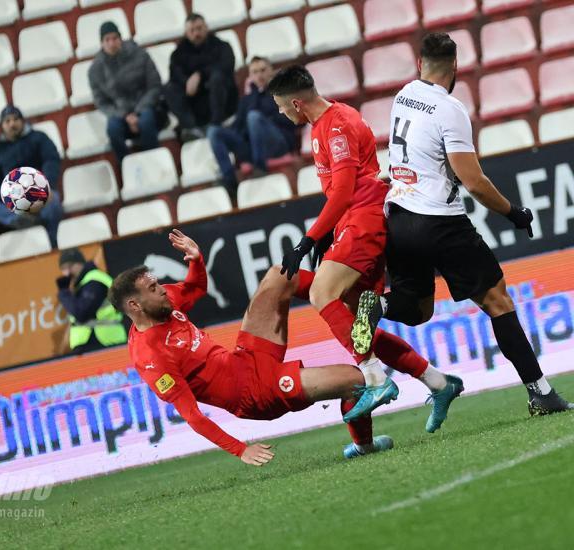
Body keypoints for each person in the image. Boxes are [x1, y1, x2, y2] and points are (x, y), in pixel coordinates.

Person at [351, 32, 573, 416]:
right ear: (455, 66)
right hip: (439, 222)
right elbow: (474, 181)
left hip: (399, 219)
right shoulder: (449, 108)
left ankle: (380, 305)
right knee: (498, 301)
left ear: (420, 65)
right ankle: (541, 392)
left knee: (419, 310)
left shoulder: (403, 95)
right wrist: (513, 213)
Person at [268, 65, 463, 430]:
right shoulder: (323, 125)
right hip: (352, 221)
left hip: (364, 220)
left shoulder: (336, 124)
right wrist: (327, 234)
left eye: (281, 107)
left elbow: (344, 191)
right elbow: (341, 189)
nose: (281, 113)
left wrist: (308, 240)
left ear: (295, 102)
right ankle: (438, 382)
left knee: (322, 292)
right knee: (360, 324)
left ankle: (374, 378)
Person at [109, 229, 395, 465]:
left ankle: (342, 298)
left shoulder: (165, 303)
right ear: (135, 305)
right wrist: (239, 449)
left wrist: (197, 260)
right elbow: (192, 416)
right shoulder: (151, 357)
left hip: (245, 357)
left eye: (157, 283)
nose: (161, 289)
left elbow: (195, 289)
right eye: (152, 289)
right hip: (255, 394)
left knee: (280, 276)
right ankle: (364, 446)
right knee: (356, 381)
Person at [0, 105, 63, 248]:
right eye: (7, 121)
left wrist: (48, 186)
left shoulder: (38, 137)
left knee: (54, 204)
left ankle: (52, 244)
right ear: (2, 126)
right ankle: (20, 220)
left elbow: (51, 160)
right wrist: (6, 195)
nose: (12, 124)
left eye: (15, 119)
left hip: (39, 192)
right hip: (12, 197)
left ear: (23, 121)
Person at [207, 56, 296, 197]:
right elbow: (237, 127)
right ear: (250, 76)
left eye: (263, 70)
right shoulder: (246, 100)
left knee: (254, 117)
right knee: (214, 132)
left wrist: (264, 120)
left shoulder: (282, 94)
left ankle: (260, 168)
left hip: (277, 142)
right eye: (255, 72)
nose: (259, 75)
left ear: (271, 72)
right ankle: (229, 180)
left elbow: (292, 121)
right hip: (251, 147)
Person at [89, 21, 166, 165]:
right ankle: (126, 168)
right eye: (107, 40)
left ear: (121, 39)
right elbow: (101, 102)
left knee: (147, 121)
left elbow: (155, 85)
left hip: (146, 106)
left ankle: (156, 163)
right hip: (120, 113)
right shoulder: (95, 70)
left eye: (114, 38)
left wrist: (137, 112)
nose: (112, 43)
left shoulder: (140, 55)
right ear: (102, 43)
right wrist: (125, 115)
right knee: (113, 129)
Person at [164, 13, 237, 141]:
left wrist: (200, 75)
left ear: (206, 28)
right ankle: (191, 128)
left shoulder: (222, 46)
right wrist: (187, 82)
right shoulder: (178, 54)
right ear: (186, 33)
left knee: (217, 78)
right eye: (192, 30)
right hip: (194, 102)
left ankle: (216, 125)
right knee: (169, 88)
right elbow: (175, 74)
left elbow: (226, 66)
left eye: (199, 28)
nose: (196, 33)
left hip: (221, 102)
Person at [57, 248, 127, 353]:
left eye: (70, 266)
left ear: (80, 263)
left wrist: (64, 294)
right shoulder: (83, 283)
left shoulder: (94, 282)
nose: (67, 272)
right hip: (95, 341)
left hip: (102, 340)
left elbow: (82, 313)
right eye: (63, 269)